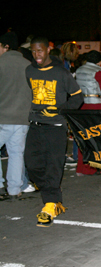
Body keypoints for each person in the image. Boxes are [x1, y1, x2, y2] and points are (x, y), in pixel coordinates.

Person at [25, 36, 83, 227]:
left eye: (40, 50)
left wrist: (60, 110)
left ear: (48, 50)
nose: (37, 55)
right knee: (31, 164)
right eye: (33, 51)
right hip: (35, 124)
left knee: (54, 166)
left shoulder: (61, 73)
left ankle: (51, 204)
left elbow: (78, 97)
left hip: (56, 127)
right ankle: (49, 190)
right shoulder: (30, 70)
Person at [0, 32, 34, 201]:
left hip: (2, 117)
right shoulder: (28, 64)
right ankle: (15, 189)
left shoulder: (1, 63)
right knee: (16, 153)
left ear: (5, 46)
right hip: (22, 117)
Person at [75, 50, 101, 176]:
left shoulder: (78, 70)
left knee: (82, 136)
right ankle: (92, 168)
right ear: (98, 60)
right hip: (95, 105)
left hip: (81, 105)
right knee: (95, 136)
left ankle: (81, 168)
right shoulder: (98, 72)